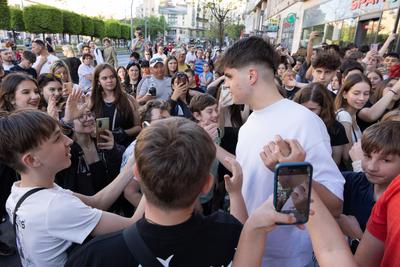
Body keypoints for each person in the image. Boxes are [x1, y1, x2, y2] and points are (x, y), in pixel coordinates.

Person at [219, 36, 344, 266]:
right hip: (248, 254)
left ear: (251, 75)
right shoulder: (247, 127)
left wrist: (289, 173)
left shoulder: (304, 122)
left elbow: (335, 205)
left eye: (228, 76)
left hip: (289, 260)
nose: (224, 84)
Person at [65, 117, 244, 267]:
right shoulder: (229, 233)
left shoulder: (94, 257)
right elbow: (241, 233)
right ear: (207, 185)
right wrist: (236, 194)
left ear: (137, 174)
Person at [0, 109, 144, 267]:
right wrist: (152, 179)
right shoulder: (54, 207)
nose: (68, 141)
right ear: (32, 160)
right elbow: (132, 224)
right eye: (57, 138)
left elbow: (97, 202)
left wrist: (131, 165)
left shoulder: (20, 191)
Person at [338, 121, 400, 248]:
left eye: (385, 160)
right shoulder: (351, 182)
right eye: (367, 156)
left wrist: (357, 236)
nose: (371, 167)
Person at [293, 83, 349, 166]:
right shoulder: (293, 124)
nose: (307, 113)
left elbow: (335, 162)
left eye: (312, 109)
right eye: (303, 108)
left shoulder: (336, 128)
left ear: (324, 108)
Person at [90, 64, 141, 147]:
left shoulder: (129, 99)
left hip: (126, 148)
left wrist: (122, 133)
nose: (109, 80)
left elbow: (138, 127)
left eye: (112, 77)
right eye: (104, 78)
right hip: (104, 150)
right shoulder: (92, 101)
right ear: (98, 81)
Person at [335, 73, 371, 162]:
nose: (362, 98)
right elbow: (347, 155)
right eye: (356, 93)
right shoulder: (344, 115)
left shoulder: (353, 115)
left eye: (366, 93)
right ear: (344, 94)